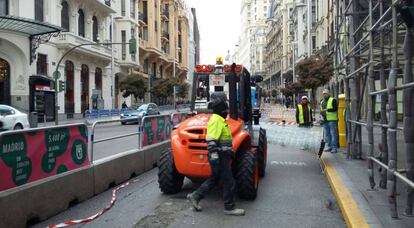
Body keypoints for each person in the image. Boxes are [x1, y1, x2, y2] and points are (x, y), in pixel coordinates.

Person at [187, 92, 245, 216]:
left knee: (215, 178)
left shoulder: (220, 120)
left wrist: (229, 151)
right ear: (220, 108)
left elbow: (222, 141)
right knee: (229, 181)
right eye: (225, 108)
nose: (226, 110)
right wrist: (215, 157)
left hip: (221, 155)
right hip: (219, 157)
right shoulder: (216, 120)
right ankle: (229, 207)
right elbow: (211, 140)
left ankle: (195, 196)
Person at [320, 89, 339, 153]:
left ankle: (334, 148)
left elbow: (335, 108)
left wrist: (327, 110)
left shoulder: (333, 100)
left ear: (328, 94)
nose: (325, 95)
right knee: (327, 135)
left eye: (326, 94)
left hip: (332, 120)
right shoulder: (322, 102)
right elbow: (321, 110)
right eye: (323, 94)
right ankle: (329, 146)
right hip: (325, 120)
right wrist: (321, 116)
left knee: (333, 134)